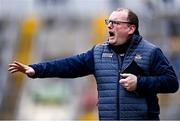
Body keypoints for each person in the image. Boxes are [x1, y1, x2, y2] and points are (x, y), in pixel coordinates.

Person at [8, 8, 179, 120]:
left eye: (116, 23)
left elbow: (171, 83)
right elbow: (69, 65)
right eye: (108, 22)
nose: (109, 26)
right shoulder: (98, 52)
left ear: (131, 28)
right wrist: (36, 70)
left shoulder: (150, 52)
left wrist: (140, 83)